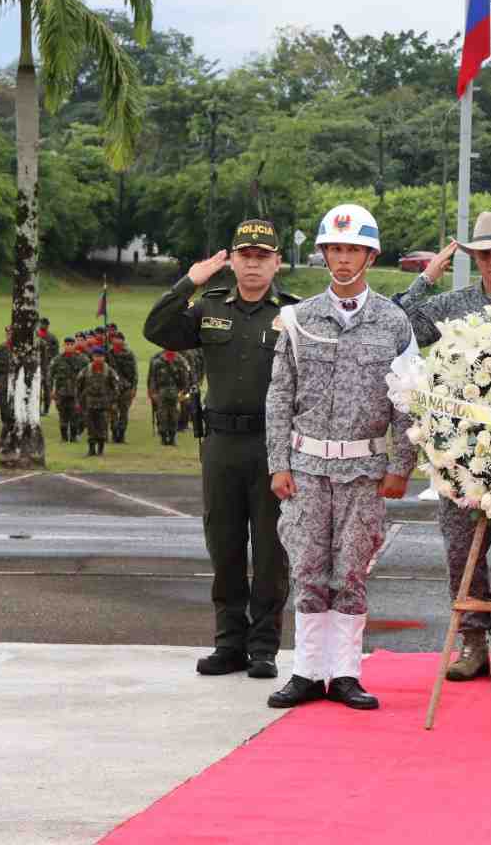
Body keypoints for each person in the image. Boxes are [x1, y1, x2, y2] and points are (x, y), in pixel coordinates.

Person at [392, 209, 491, 685]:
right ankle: (472, 640)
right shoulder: (452, 305)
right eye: (485, 255)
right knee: (461, 549)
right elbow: (397, 325)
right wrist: (427, 277)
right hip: (459, 453)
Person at [264, 204, 416, 711]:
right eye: (335, 249)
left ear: (370, 256)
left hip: (365, 472)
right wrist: (277, 463)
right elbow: (280, 395)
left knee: (351, 570)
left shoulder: (394, 322)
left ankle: (346, 673)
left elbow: (408, 400)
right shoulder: (300, 319)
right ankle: (307, 671)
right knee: (307, 567)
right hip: (306, 467)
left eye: (353, 249)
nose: (343, 259)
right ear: (324, 253)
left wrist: (401, 466)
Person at [144, 218, 298, 679]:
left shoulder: (293, 314)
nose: (253, 265)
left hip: (273, 447)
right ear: (231, 260)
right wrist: (190, 280)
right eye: (245, 256)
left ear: (277, 263)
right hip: (221, 444)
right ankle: (228, 643)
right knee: (224, 545)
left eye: (262, 257)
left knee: (271, 551)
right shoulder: (208, 306)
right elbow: (157, 329)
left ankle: (265, 647)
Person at [75, 347, 120, 456]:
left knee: (102, 427)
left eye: (100, 356)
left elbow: (116, 387)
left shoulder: (109, 371)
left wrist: (113, 401)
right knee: (90, 427)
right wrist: (78, 401)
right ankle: (91, 450)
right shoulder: (86, 370)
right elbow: (78, 386)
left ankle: (100, 450)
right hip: (89, 403)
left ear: (104, 357)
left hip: (104, 404)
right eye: (96, 356)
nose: (98, 359)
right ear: (92, 357)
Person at [51, 337, 86, 442]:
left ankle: (74, 437)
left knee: (75, 415)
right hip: (61, 393)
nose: (69, 346)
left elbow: (87, 376)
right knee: (63, 415)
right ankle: (64, 437)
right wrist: (51, 390)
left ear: (74, 346)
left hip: (76, 393)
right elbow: (50, 375)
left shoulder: (82, 359)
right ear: (64, 346)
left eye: (71, 344)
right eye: (67, 344)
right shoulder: (57, 360)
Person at [148, 350, 185, 445]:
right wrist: (153, 392)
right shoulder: (158, 362)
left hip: (174, 392)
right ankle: (163, 437)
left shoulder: (179, 361)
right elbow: (152, 378)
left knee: (174, 415)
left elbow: (183, 378)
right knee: (162, 415)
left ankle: (172, 437)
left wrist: (182, 392)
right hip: (161, 392)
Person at [108, 332, 138, 443]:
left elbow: (134, 373)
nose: (116, 341)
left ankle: (121, 435)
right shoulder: (108, 354)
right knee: (113, 411)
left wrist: (134, 388)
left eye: (119, 339)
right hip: (112, 388)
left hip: (126, 388)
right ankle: (114, 434)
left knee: (124, 412)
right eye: (115, 339)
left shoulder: (129, 354)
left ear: (123, 341)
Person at [37, 317, 58, 415]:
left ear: (48, 326)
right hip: (36, 366)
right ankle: (36, 407)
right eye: (41, 323)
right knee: (36, 389)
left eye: (45, 324)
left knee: (47, 388)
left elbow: (55, 354)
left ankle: (45, 409)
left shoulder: (52, 338)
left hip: (47, 367)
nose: (43, 326)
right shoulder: (35, 336)